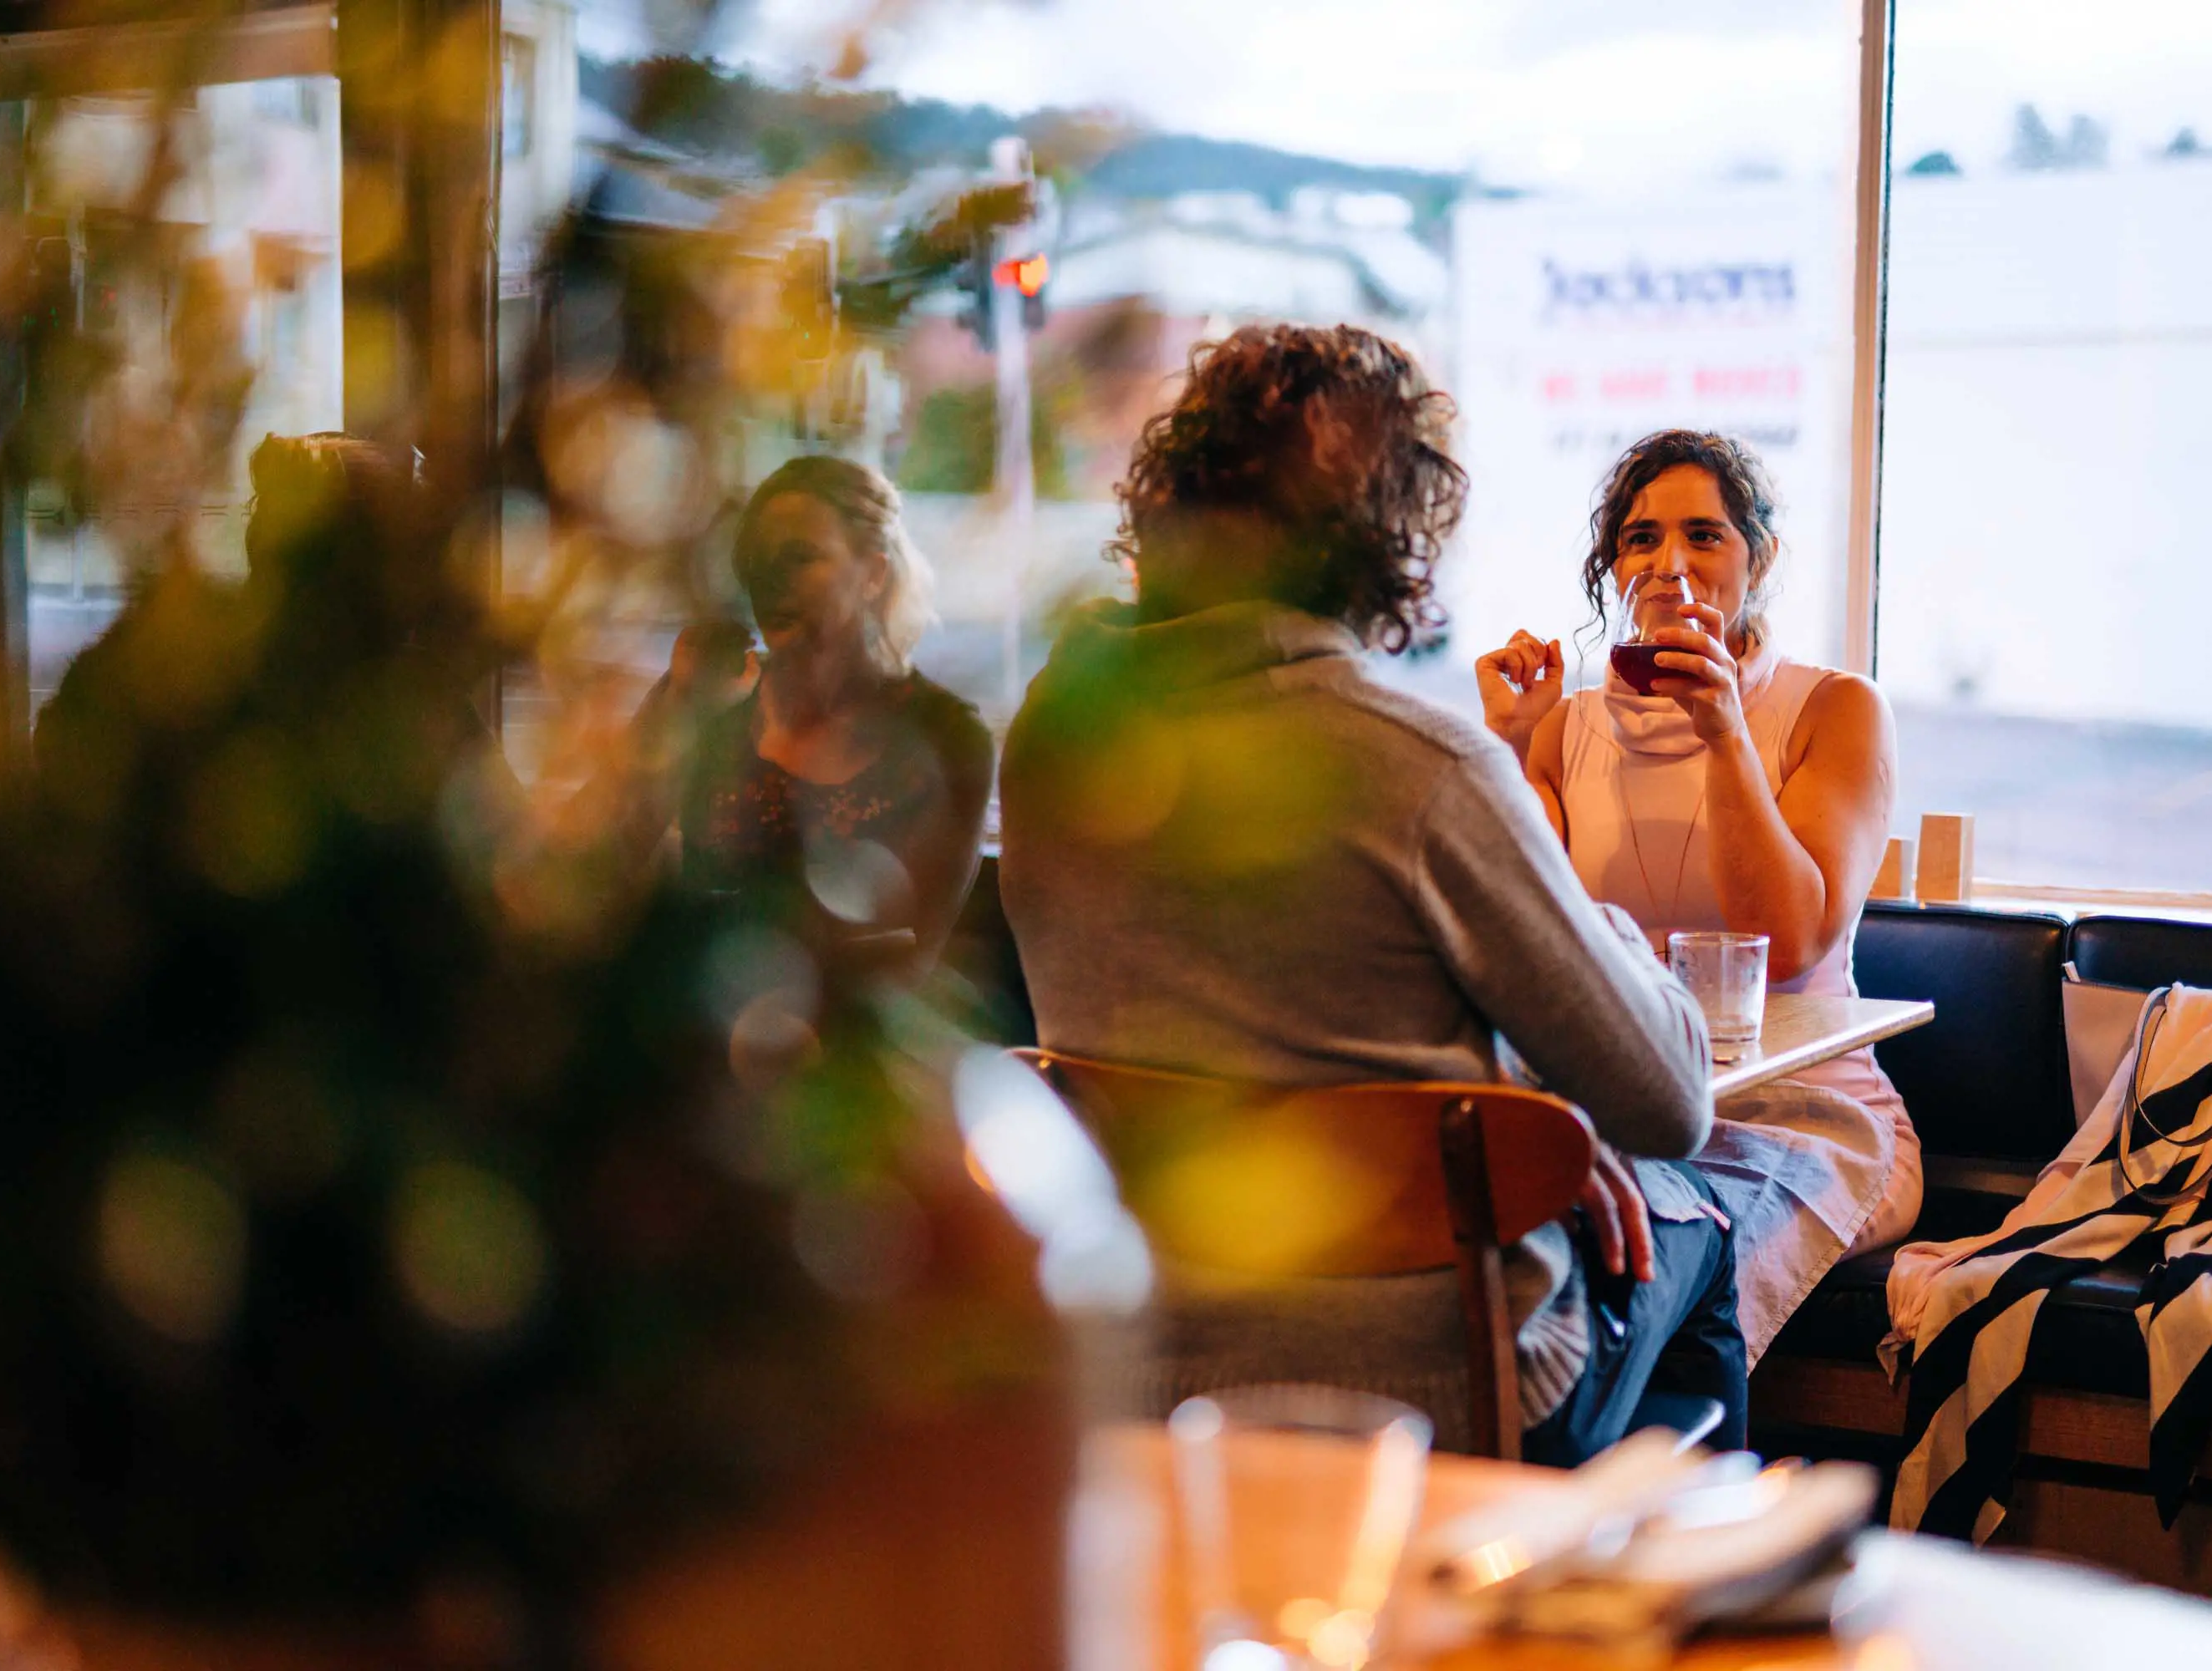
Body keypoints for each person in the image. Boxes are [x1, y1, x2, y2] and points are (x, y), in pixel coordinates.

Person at [1001, 323, 1741, 1463]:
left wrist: (1524, 1136)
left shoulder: (1052, 746)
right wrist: (1601, 931)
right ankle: (1645, 1565)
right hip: (1435, 1391)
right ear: (1393, 531)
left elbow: (1262, 1022)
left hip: (1142, 1378)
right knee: (1705, 1229)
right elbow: (1669, 1101)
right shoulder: (1420, 765)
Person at [1475, 429, 1921, 1360]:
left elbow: (1789, 940)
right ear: (1614, 567)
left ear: (1758, 560)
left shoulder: (1835, 708)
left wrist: (1723, 728)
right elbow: (1523, 938)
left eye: (1704, 535)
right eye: (1641, 539)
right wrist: (1511, 747)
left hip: (1802, 1116)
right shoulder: (1563, 726)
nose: (1669, 563)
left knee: (1633, 1274)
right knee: (1491, 1258)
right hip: (1627, 1113)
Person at [676, 456, 994, 974]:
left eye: (799, 557)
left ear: (873, 574)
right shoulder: (714, 713)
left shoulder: (948, 740)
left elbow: (915, 956)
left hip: (858, 1022)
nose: (770, 581)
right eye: (756, 561)